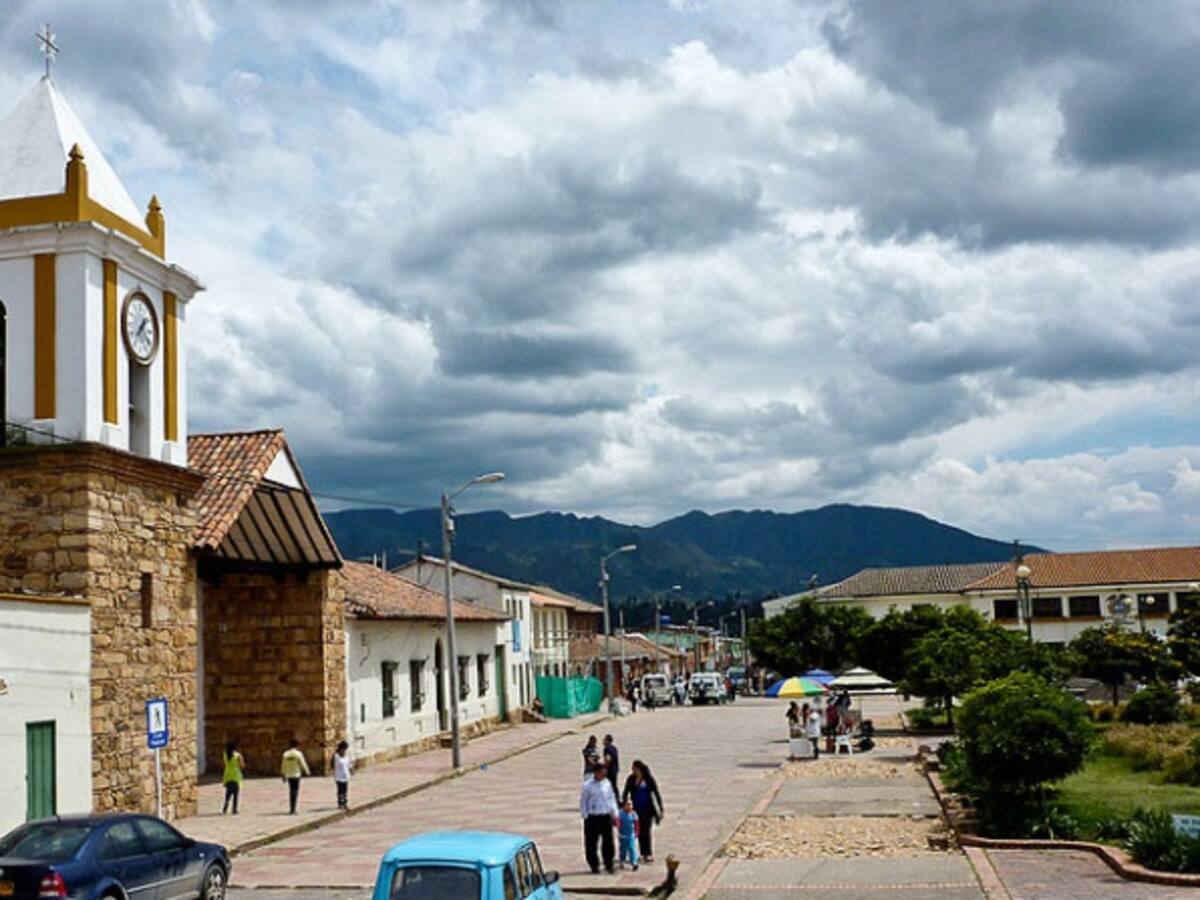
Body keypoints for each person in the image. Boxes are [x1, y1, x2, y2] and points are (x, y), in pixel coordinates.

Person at [622, 759, 664, 863]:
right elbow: (625, 792)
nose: (633, 771)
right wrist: (624, 804)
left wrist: (660, 808)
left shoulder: (648, 779)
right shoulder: (631, 779)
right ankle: (642, 853)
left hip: (648, 809)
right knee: (639, 831)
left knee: (646, 831)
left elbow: (656, 793)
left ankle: (648, 853)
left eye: (634, 769)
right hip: (636, 810)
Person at [580, 762, 619, 874]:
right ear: (596, 773)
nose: (604, 774)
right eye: (602, 772)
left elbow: (611, 798)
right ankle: (594, 865)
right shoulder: (588, 785)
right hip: (593, 817)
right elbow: (583, 801)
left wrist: (615, 813)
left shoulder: (607, 783)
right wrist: (585, 815)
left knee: (608, 842)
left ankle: (609, 864)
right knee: (591, 843)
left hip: (605, 816)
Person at [280, 738, 311, 814]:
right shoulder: (298, 754)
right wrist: (307, 771)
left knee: (291, 791)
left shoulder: (285, 754)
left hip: (289, 775)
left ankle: (292, 808)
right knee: (295, 791)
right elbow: (303, 763)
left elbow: (283, 766)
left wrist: (283, 774)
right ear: (297, 745)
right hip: (296, 775)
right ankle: (293, 809)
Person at [221, 740, 244, 815]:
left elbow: (224, 763)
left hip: (227, 774)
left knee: (228, 792)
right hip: (235, 775)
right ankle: (234, 809)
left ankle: (225, 806)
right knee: (235, 793)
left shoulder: (225, 754)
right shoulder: (238, 755)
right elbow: (242, 765)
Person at [618, 798, 640, 871]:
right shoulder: (620, 814)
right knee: (623, 849)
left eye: (631, 804)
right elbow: (618, 823)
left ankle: (633, 862)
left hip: (631, 835)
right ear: (624, 806)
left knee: (631, 848)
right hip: (623, 836)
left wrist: (637, 832)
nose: (630, 806)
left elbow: (636, 823)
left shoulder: (633, 814)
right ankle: (622, 860)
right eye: (628, 804)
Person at [332, 740, 352, 809]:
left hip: (346, 776)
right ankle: (340, 803)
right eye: (343, 749)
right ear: (340, 749)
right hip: (339, 776)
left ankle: (345, 803)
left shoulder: (347, 756)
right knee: (340, 790)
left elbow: (349, 765)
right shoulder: (336, 756)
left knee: (345, 790)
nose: (344, 751)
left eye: (345, 749)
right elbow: (333, 765)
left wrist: (350, 770)